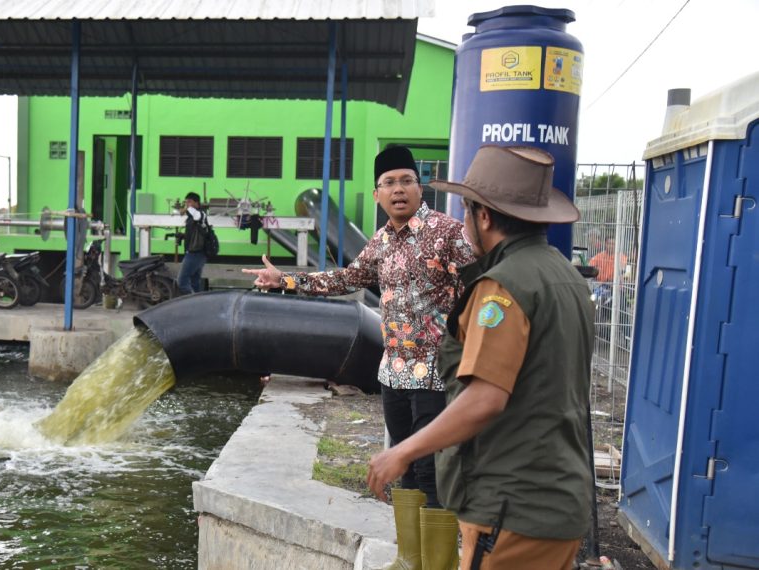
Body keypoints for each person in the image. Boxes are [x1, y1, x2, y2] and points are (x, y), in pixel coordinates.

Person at [366, 145, 594, 569]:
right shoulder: (566, 276)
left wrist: (403, 452)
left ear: (484, 216)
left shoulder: (503, 287)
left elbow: (485, 398)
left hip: (512, 507)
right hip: (562, 500)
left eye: (468, 208)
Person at [243, 146, 473, 513]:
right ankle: (410, 557)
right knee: (405, 469)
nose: (399, 190)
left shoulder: (447, 232)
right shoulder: (381, 241)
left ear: (420, 188)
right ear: (377, 194)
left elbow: (479, 288)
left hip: (436, 374)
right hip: (393, 374)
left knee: (432, 471)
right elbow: (347, 278)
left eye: (406, 181)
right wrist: (285, 279)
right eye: (389, 183)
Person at [177, 191, 208, 294]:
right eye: (186, 202)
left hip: (195, 254)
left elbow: (197, 216)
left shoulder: (200, 214)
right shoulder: (191, 217)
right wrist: (183, 236)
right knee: (195, 282)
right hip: (193, 253)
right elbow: (194, 234)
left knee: (181, 282)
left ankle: (192, 302)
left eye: (190, 202)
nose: (187, 204)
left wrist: (187, 208)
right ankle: (198, 304)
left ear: (197, 203)